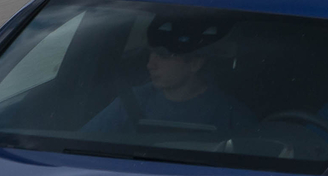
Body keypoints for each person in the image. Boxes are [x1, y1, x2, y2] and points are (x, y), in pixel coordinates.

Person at [80, 13, 257, 144]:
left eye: (163, 56)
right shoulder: (131, 102)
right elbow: (84, 140)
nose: (150, 65)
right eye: (150, 55)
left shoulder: (231, 116)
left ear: (194, 64)